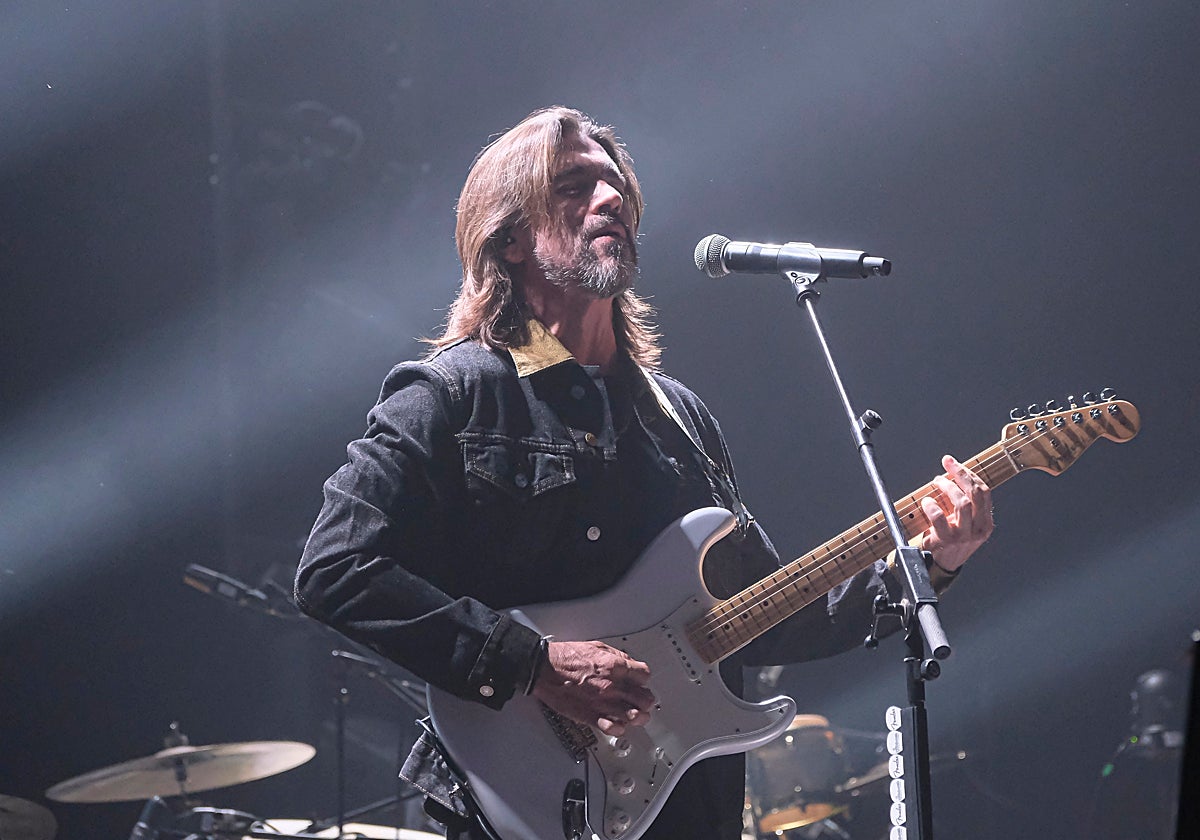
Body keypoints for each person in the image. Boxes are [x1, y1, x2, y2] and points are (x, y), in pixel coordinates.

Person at [294, 106, 993, 840]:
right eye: (572, 186)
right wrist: (534, 664)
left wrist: (928, 562)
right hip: (510, 804)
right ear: (509, 238)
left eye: (614, 182)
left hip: (685, 808)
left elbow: (772, 620)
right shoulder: (454, 393)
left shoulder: (680, 417)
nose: (610, 198)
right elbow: (336, 567)